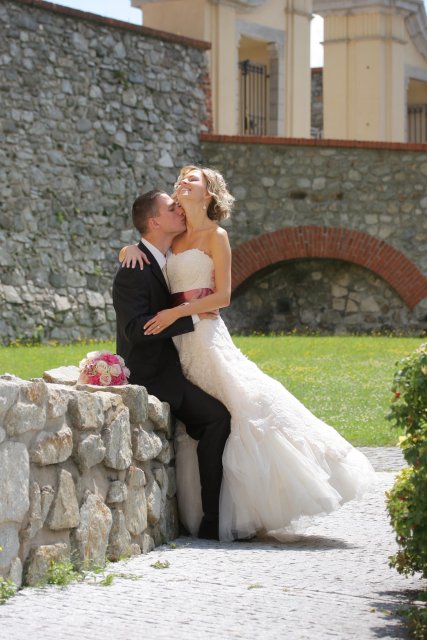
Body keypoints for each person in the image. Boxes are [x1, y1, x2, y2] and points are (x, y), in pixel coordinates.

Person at [121, 166, 376, 543]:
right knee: (209, 422)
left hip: (204, 335)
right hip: (177, 344)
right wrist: (128, 248)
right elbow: (149, 248)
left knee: (246, 406)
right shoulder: (174, 237)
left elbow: (223, 296)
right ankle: (213, 512)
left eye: (193, 180)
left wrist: (179, 312)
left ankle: (259, 502)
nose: (183, 182)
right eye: (182, 179)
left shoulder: (216, 236)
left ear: (209, 193)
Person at [112, 190, 231, 541]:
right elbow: (135, 330)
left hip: (182, 362)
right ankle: (211, 521)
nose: (179, 210)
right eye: (170, 208)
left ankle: (213, 515)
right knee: (216, 418)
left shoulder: (165, 255)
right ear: (154, 221)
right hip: (153, 375)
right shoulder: (133, 270)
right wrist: (192, 319)